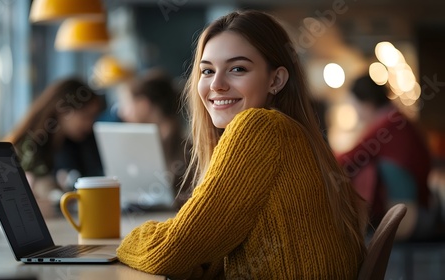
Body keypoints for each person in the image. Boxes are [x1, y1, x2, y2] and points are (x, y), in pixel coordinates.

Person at [116, 10, 368, 279]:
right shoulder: (289, 132)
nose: (217, 84)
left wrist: (125, 239)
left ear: (276, 80)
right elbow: (209, 252)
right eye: (207, 71)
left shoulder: (259, 127)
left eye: (238, 69)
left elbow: (169, 253)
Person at [337, 75, 436, 241]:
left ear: (367, 104)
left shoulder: (388, 126)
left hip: (411, 216)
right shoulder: (396, 119)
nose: (356, 114)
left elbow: (347, 161)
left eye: (355, 107)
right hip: (419, 209)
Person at [4, 77, 105, 201]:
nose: (89, 124)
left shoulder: (73, 145)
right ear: (64, 111)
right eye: (85, 116)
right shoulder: (28, 148)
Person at [105, 69, 191, 208]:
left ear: (144, 104)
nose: (122, 112)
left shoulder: (186, 149)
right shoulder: (147, 144)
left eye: (126, 103)